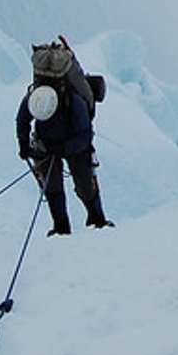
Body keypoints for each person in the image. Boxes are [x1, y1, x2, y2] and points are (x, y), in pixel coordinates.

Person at [15, 39, 111, 235]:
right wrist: (23, 144)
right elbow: (22, 120)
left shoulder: (74, 102)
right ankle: (62, 227)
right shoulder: (37, 99)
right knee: (52, 185)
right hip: (50, 143)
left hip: (70, 144)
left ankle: (97, 219)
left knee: (84, 185)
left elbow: (85, 136)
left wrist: (63, 149)